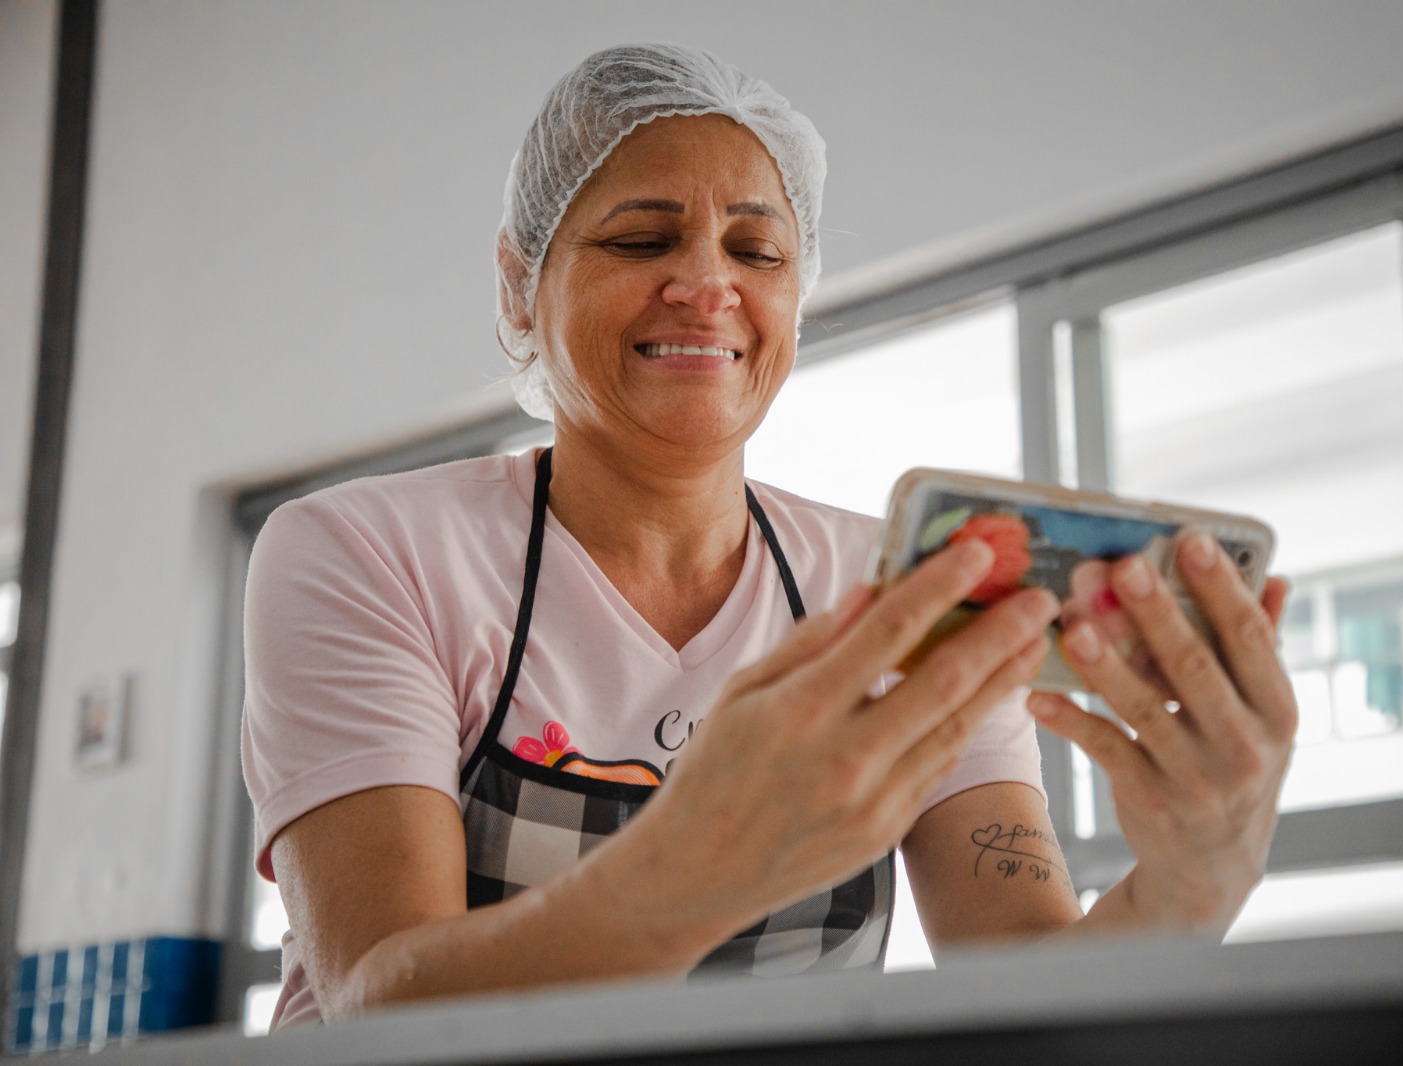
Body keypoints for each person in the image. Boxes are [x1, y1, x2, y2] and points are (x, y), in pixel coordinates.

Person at [242, 43, 1296, 1029]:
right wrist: (713, 858)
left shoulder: (894, 591)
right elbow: (379, 1000)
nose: (708, 285)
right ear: (521, 284)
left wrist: (1197, 872)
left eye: (757, 248)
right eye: (642, 238)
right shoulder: (369, 552)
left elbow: (1024, 985)